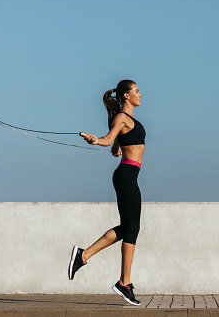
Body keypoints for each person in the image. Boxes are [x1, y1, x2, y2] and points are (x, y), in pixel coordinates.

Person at [68, 80, 145, 306]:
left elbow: (115, 146)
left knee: (127, 227)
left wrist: (114, 147)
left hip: (129, 175)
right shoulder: (122, 117)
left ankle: (82, 256)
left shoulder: (126, 120)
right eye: (137, 91)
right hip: (126, 175)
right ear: (126, 96)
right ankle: (124, 283)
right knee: (132, 229)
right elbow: (109, 140)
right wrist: (96, 140)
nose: (141, 95)